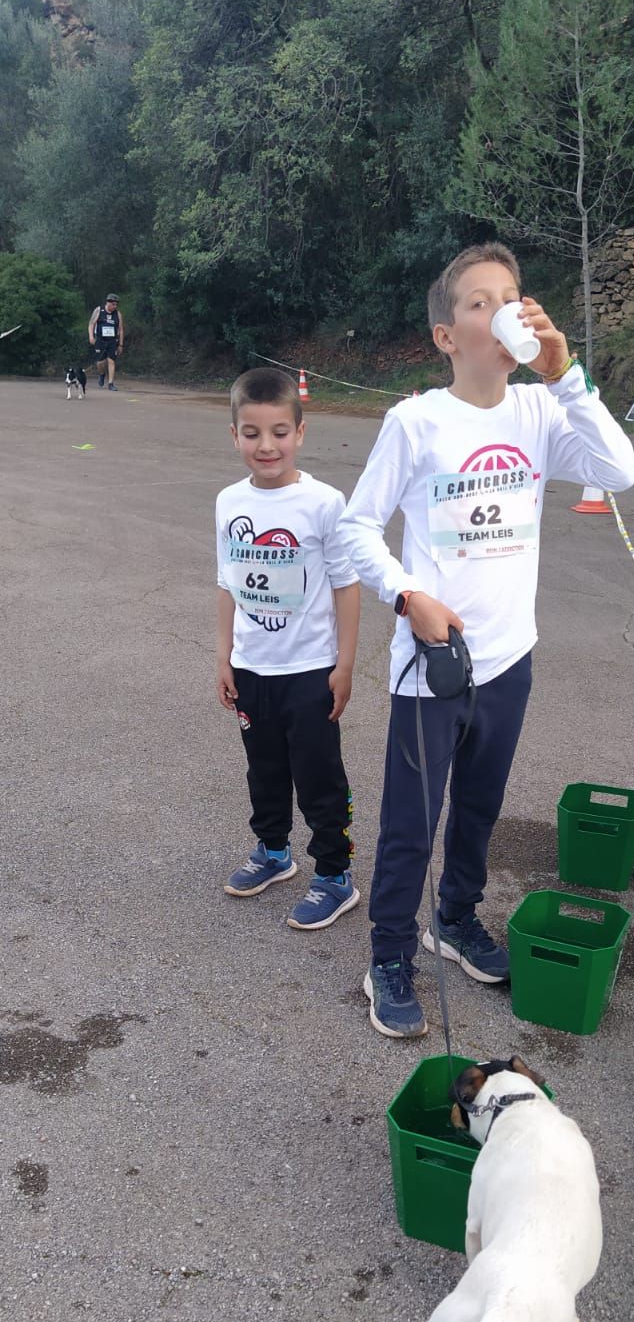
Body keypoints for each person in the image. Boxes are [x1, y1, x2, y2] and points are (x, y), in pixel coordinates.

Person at [339, 241, 634, 1037]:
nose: (505, 308)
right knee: (411, 821)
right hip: (431, 665)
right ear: (446, 335)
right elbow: (356, 527)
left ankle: (457, 918)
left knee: (478, 806)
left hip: (509, 657)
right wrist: (408, 595)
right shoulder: (416, 422)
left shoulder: (540, 411)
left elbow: (617, 471)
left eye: (512, 294)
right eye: (480, 301)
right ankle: (388, 956)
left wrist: (564, 375)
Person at [215, 366, 361, 930]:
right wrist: (224, 656)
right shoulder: (229, 501)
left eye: (279, 431)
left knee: (320, 774)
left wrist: (344, 664)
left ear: (300, 432)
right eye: (252, 433)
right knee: (264, 769)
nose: (266, 445)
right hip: (253, 668)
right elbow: (228, 582)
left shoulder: (324, 502)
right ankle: (274, 853)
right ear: (235, 436)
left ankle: (334, 874)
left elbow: (347, 586)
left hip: (310, 670)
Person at [88, 293, 124, 388]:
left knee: (111, 361)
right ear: (108, 303)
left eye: (116, 305)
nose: (115, 306)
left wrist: (120, 344)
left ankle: (111, 383)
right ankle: (102, 374)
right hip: (100, 339)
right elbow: (91, 324)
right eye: (113, 304)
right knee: (100, 363)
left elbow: (120, 329)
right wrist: (91, 336)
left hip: (112, 341)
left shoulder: (118, 314)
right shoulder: (99, 310)